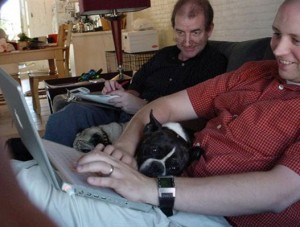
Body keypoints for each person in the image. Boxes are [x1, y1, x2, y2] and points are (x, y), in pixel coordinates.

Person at [10, 0, 300, 226]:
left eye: (296, 40)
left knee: (28, 190)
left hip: (213, 214)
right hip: (171, 185)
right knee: (30, 174)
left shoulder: (216, 61)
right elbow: (164, 106)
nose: (278, 49)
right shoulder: (252, 72)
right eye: (276, 34)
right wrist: (124, 148)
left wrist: (152, 189)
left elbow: (278, 192)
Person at [44, 0, 227, 147]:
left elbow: (200, 118)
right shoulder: (164, 55)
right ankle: (47, 172)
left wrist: (143, 106)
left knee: (92, 132)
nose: (187, 42)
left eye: (195, 32)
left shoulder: (214, 63)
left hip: (155, 126)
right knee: (67, 116)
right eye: (180, 32)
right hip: (123, 112)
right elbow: (136, 86)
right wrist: (120, 95)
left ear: (209, 30)